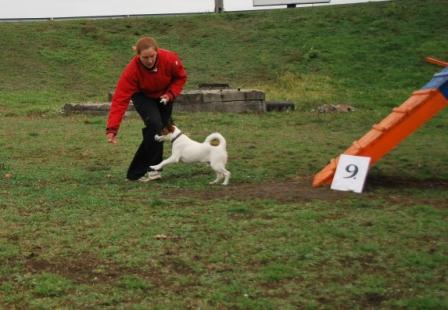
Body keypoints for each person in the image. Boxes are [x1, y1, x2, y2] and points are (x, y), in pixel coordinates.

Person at [106, 36, 187, 182]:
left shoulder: (169, 58)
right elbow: (120, 100)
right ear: (138, 55)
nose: (149, 60)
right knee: (156, 126)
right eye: (145, 58)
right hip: (143, 96)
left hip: (165, 95)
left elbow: (181, 77)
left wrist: (171, 94)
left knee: (157, 130)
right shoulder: (131, 71)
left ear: (157, 52)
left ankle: (134, 174)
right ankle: (154, 170)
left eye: (152, 56)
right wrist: (112, 129)